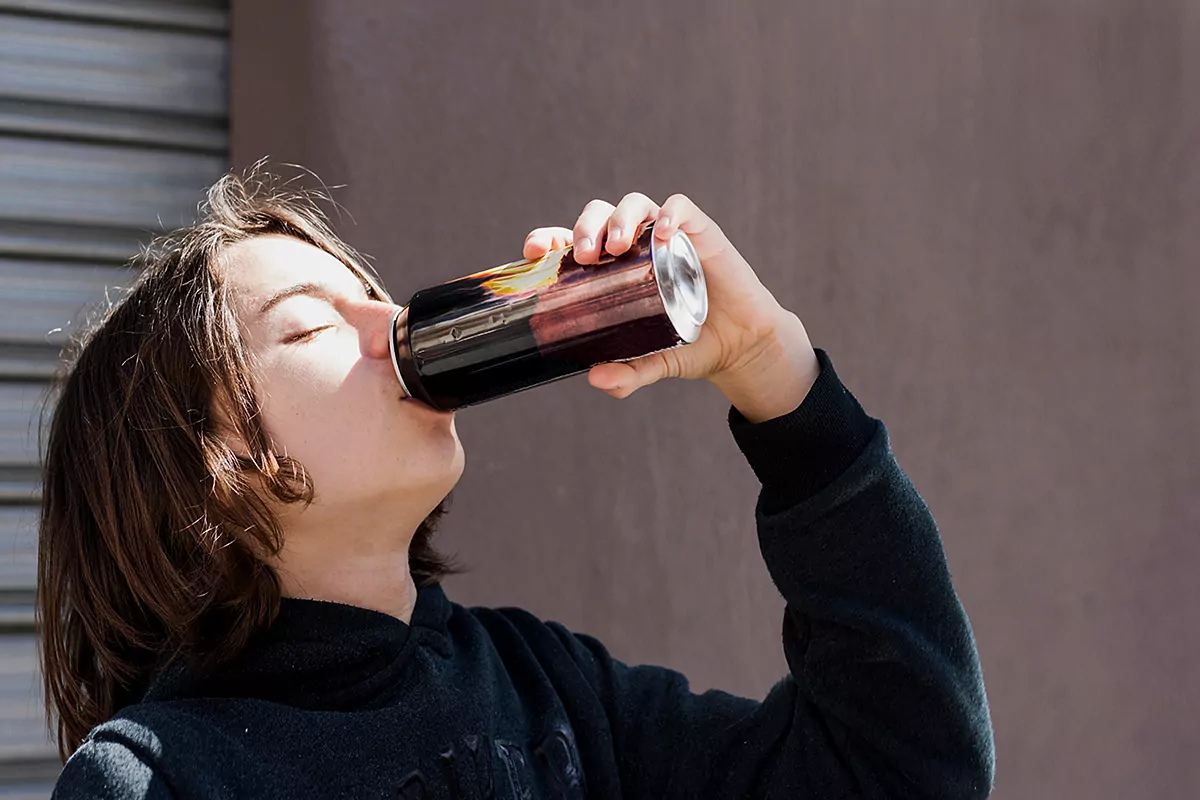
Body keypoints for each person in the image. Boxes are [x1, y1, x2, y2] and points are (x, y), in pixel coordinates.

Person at [40, 166, 995, 799]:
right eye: (310, 326)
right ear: (206, 469)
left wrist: (780, 383)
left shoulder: (550, 695)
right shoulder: (158, 779)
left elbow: (905, 771)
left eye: (380, 297)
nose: (398, 325)